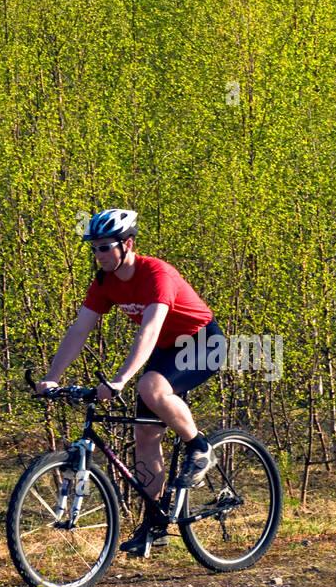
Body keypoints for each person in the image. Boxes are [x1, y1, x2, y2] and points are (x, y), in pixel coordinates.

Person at [37, 207, 225, 556]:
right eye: (94, 248)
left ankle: (200, 448)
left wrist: (122, 379)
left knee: (150, 387)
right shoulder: (104, 283)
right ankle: (155, 526)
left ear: (128, 244)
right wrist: (52, 378)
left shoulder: (157, 273)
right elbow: (79, 330)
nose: (99, 255)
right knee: (145, 434)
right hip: (169, 349)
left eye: (105, 247)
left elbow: (150, 329)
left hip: (203, 342)